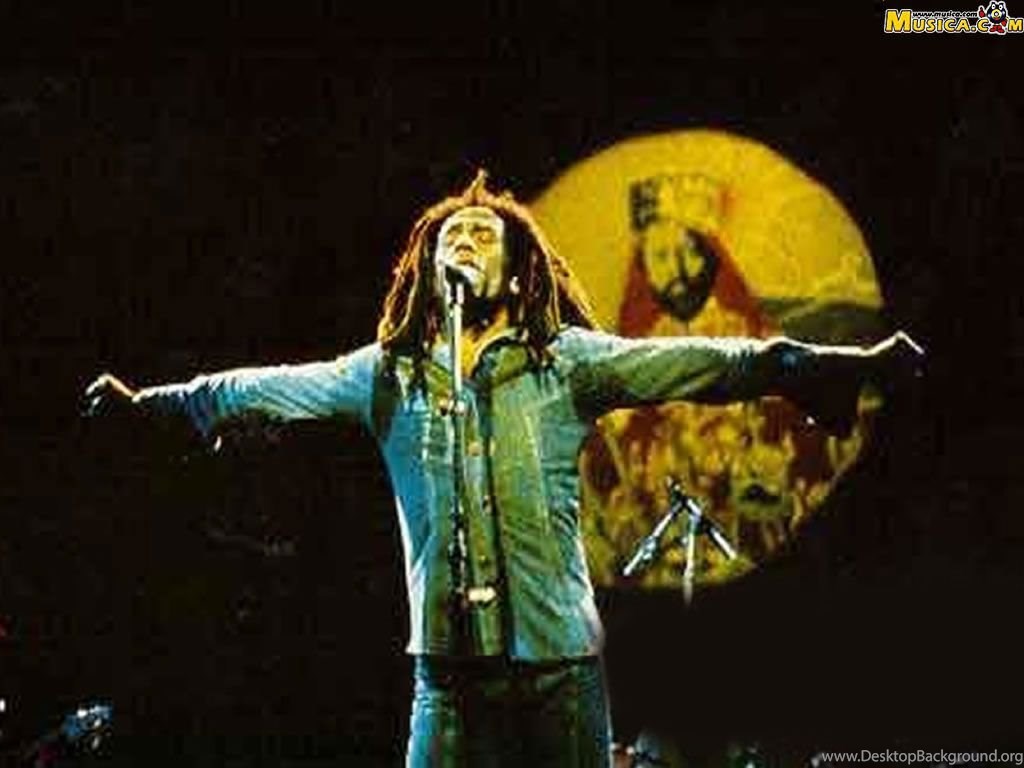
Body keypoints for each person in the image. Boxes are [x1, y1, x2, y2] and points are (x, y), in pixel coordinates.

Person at [84, 171, 923, 767]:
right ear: (426, 268)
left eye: (484, 235)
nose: (466, 240)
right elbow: (258, 388)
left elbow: (704, 362)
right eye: (451, 236)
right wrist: (150, 406)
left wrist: (826, 368)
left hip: (559, 672)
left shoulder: (567, 363)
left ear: (519, 270)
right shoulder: (388, 376)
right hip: (446, 679)